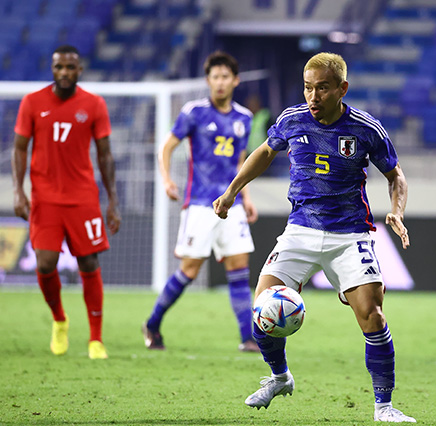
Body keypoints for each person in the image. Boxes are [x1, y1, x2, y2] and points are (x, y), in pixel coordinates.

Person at [213, 52, 415, 423]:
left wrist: (396, 211)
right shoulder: (291, 119)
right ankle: (280, 378)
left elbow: (396, 176)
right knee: (263, 310)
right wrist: (231, 193)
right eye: (308, 87)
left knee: (372, 316)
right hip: (301, 230)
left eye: (322, 88)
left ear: (342, 88)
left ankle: (384, 407)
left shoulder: (366, 128)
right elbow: (264, 152)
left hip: (350, 235)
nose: (313, 96)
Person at [142, 51, 259, 353]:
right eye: (215, 77)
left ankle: (248, 338)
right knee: (189, 270)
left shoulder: (244, 118)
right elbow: (166, 147)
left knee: (239, 268)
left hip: (231, 204)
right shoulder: (194, 112)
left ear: (235, 81)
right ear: (208, 80)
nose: (220, 82)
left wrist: (246, 197)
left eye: (225, 77)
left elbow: (241, 162)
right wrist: (167, 179)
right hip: (200, 203)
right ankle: (152, 324)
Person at [11, 45, 121, 360]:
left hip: (82, 197)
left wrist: (112, 201)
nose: (64, 72)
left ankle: (96, 339)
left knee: (89, 263)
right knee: (45, 264)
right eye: (59, 66)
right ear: (52, 68)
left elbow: (105, 155)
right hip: (45, 198)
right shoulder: (32, 102)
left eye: (70, 67)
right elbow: (19, 148)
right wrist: (19, 191)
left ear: (79, 70)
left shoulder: (94, 104)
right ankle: (60, 319)